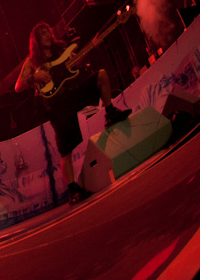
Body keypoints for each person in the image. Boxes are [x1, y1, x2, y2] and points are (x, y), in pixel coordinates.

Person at [14, 22, 130, 204]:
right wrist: (33, 76)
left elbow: (78, 62)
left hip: (71, 94)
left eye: (47, 31)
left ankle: (110, 112)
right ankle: (73, 190)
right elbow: (18, 86)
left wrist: (91, 48)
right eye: (42, 33)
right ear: (35, 40)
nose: (46, 35)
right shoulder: (32, 61)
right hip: (56, 106)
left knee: (101, 76)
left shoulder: (61, 50)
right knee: (66, 150)